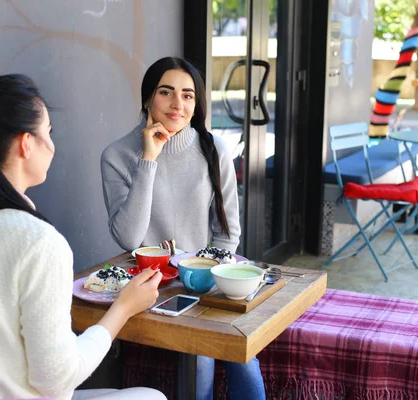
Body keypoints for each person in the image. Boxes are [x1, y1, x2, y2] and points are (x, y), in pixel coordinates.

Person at [0, 74, 166, 400]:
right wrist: (123, 308)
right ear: (25, 143)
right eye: (48, 133)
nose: (53, 144)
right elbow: (58, 384)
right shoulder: (38, 243)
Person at [100, 57, 266, 400]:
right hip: (152, 285)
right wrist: (149, 158)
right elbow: (129, 238)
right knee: (199, 357)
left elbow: (227, 233)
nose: (178, 104)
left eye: (188, 95)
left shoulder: (213, 149)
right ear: (148, 99)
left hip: (209, 277)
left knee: (242, 352)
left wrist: (205, 276)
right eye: (166, 92)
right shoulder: (117, 155)